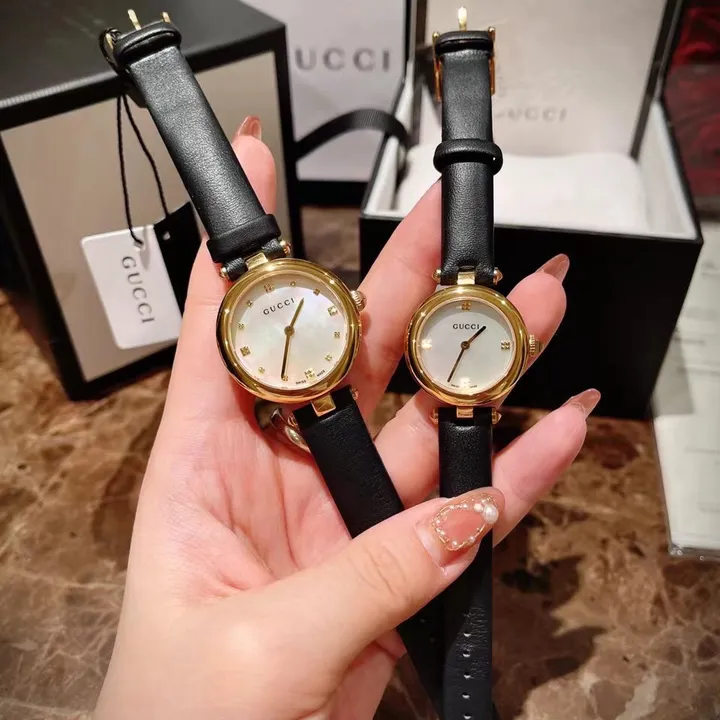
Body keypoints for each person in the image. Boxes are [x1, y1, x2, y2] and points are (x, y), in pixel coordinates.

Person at [94, 117, 599, 720]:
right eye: (280, 327)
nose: (287, 328)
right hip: (319, 407)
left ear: (345, 310)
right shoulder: (283, 334)